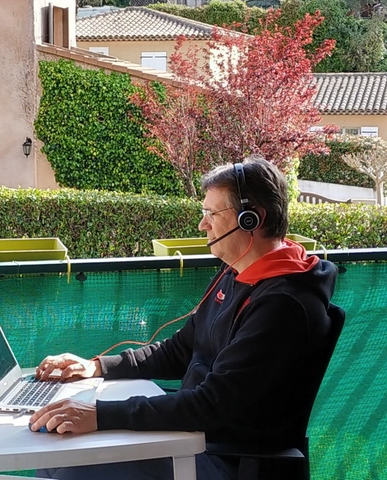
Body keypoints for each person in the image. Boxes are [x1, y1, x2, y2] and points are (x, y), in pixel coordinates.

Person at [28, 157, 339, 480]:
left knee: (72, 471)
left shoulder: (284, 305)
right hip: (194, 441)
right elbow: (181, 349)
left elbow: (210, 405)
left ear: (251, 220)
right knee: (55, 454)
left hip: (228, 460)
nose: (203, 225)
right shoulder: (238, 272)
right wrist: (98, 366)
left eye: (211, 214)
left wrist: (98, 415)